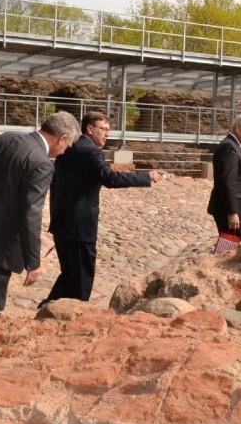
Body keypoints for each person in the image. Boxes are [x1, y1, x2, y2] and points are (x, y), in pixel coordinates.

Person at [0, 111, 80, 320]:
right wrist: (33, 261)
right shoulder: (42, 164)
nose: (65, 151)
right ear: (61, 138)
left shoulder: (7, 137)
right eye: (67, 146)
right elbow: (31, 213)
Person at [40, 111, 166, 306]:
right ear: (90, 129)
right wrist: (146, 176)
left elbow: (56, 184)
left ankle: (49, 307)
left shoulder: (70, 147)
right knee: (81, 278)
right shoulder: (91, 151)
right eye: (103, 129)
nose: (107, 134)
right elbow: (110, 178)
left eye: (109, 130)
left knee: (69, 275)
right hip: (80, 228)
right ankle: (74, 314)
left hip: (62, 223)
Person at [207, 113, 241, 239]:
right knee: (231, 248)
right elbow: (227, 183)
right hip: (228, 211)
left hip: (236, 211)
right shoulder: (229, 147)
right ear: (238, 128)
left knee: (230, 247)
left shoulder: (236, 146)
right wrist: (232, 212)